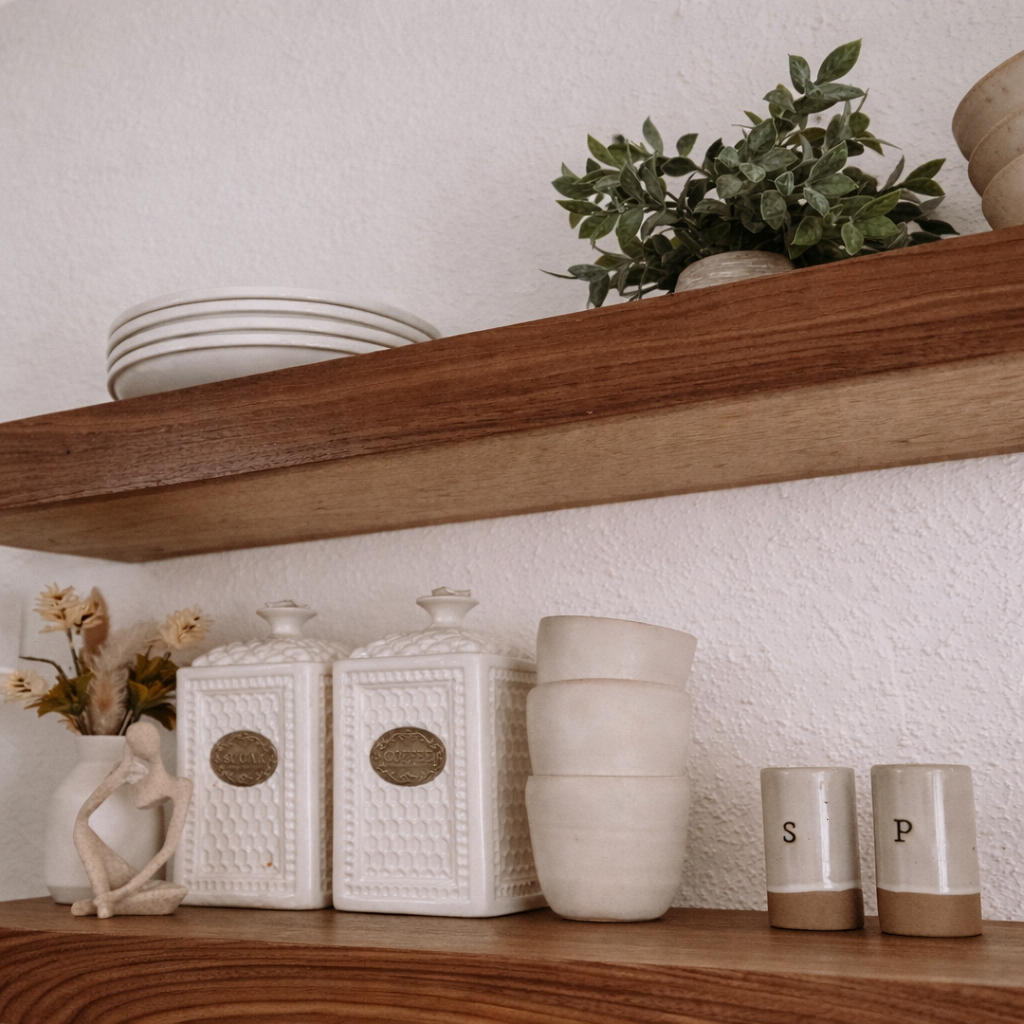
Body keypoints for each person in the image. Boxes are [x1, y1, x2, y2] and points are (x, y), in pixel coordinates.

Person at [71, 720, 192, 918]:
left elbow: (168, 849)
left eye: (147, 741)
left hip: (140, 881)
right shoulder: (129, 774)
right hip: (123, 876)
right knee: (80, 827)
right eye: (136, 743)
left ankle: (103, 904)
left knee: (175, 892)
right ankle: (104, 901)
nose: (145, 747)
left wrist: (122, 892)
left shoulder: (180, 786)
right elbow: (82, 818)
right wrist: (121, 769)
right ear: (130, 747)